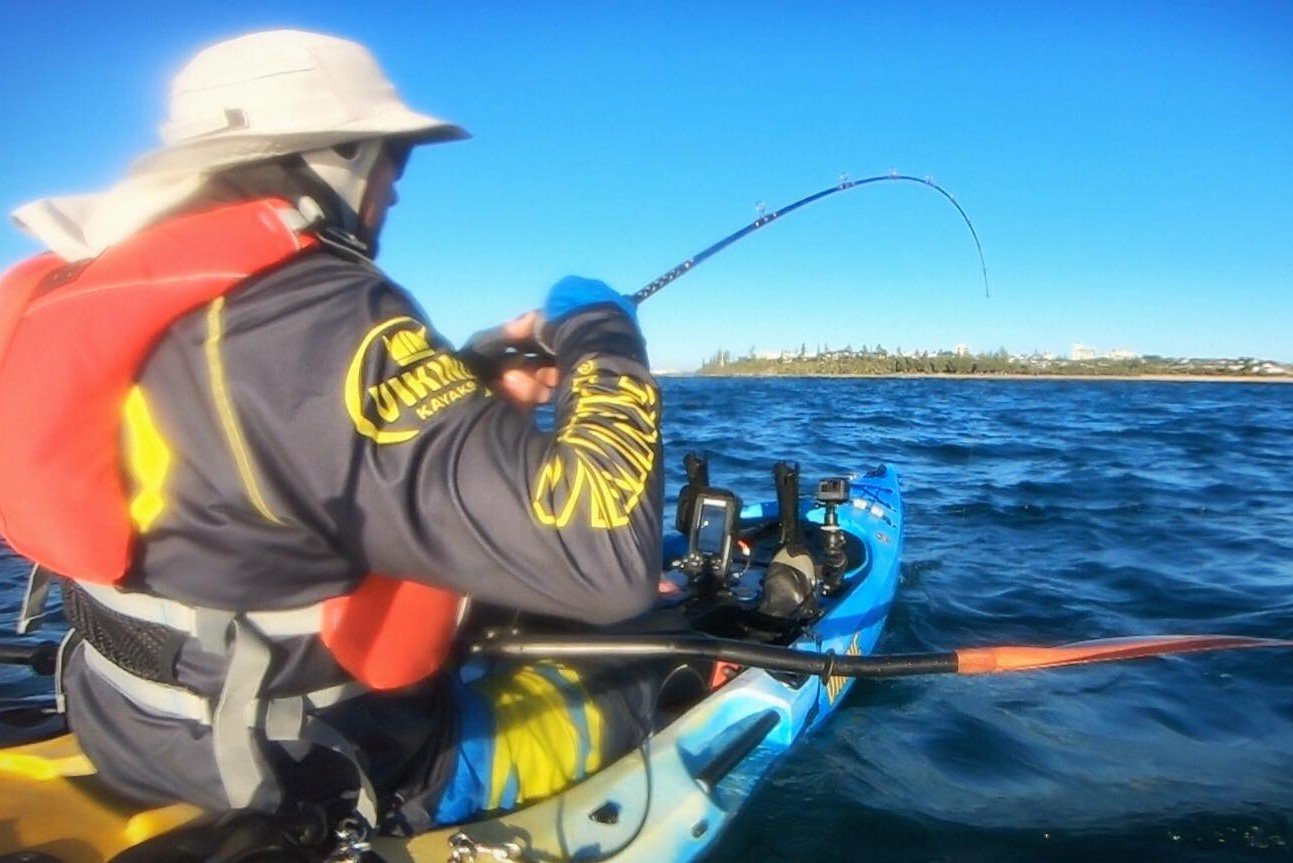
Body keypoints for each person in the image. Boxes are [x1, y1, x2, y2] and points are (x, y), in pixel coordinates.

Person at [0, 29, 663, 835]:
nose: (396, 187)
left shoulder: (91, 289)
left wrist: (467, 381)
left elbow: (267, 449)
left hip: (121, 720)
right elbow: (603, 561)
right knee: (647, 659)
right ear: (337, 153)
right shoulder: (311, 308)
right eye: (392, 157)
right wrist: (602, 333)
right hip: (299, 763)